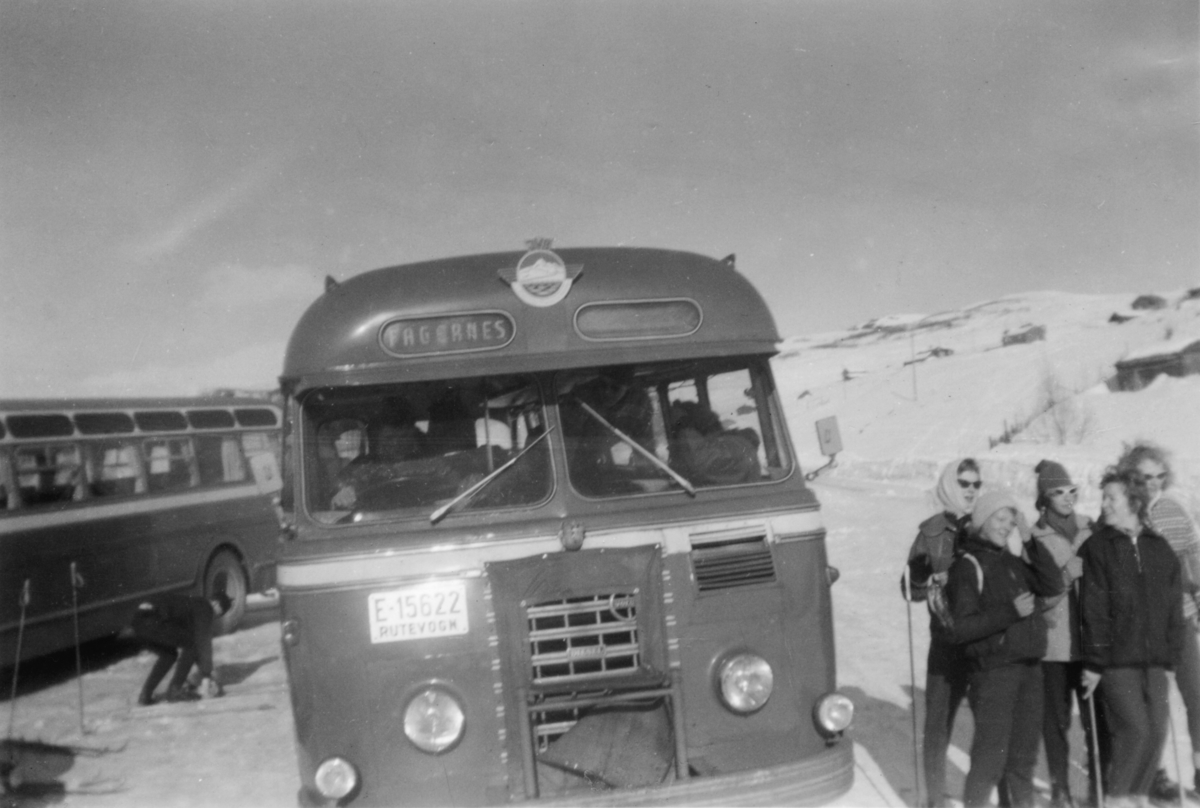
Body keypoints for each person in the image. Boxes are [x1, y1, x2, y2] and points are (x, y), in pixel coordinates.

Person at [945, 488, 1063, 808]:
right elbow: (960, 629)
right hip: (994, 673)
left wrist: (1028, 539)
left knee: (1023, 761)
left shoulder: (1012, 561)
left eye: (1010, 522)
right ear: (982, 521)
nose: (1005, 526)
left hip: (1029, 670)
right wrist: (1010, 612)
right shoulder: (967, 566)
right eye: (1000, 518)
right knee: (989, 761)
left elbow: (1053, 584)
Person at [1080, 467, 1185, 808]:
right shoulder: (1098, 547)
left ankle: (1137, 798)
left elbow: (1173, 609)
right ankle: (1116, 799)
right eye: (1104, 497)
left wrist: (1172, 657)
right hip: (1116, 661)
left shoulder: (1159, 548)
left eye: (1112, 497)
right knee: (1135, 732)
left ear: (1134, 501)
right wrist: (1094, 663)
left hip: (1155, 661)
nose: (1105, 504)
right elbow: (1093, 609)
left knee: (1156, 733)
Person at [1117, 441, 1200, 801]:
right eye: (1144, 476)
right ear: (1131, 476)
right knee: (1155, 704)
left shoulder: (1172, 511)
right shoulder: (1122, 514)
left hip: (1180, 620)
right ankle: (1155, 774)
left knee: (1197, 695)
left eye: (1159, 476)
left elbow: (1194, 562)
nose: (1152, 483)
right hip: (1144, 628)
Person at [901, 457, 981, 808]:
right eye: (964, 482)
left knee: (991, 724)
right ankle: (935, 800)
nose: (971, 490)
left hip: (984, 642)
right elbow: (908, 589)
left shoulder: (987, 522)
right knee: (938, 725)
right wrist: (921, 574)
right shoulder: (931, 531)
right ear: (950, 484)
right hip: (947, 643)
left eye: (976, 484)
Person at [1030, 460, 1095, 808]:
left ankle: (1099, 790)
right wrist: (1067, 576)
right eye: (1058, 492)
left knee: (1093, 721)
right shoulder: (1032, 539)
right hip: (1053, 649)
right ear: (1043, 499)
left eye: (1072, 491)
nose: (1068, 498)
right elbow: (1033, 599)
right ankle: (1060, 790)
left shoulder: (1090, 528)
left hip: (1088, 644)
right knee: (1055, 723)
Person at [131, 590, 231, 706]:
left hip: (139, 622)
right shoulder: (205, 606)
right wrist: (206, 676)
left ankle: (145, 695)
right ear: (216, 604)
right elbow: (203, 641)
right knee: (192, 644)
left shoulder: (191, 605)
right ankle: (175, 689)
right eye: (218, 614)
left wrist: (204, 670)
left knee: (168, 655)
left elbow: (196, 647)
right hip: (154, 620)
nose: (214, 618)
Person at [330, 402, 428, 509]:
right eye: (389, 438)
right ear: (377, 440)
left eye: (403, 436)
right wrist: (341, 497)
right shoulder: (356, 469)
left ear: (413, 436)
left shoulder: (428, 461)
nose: (396, 443)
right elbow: (334, 503)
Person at [668, 400, 760, 486]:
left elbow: (701, 464)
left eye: (677, 428)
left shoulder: (732, 446)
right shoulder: (722, 445)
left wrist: (684, 428)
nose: (676, 433)